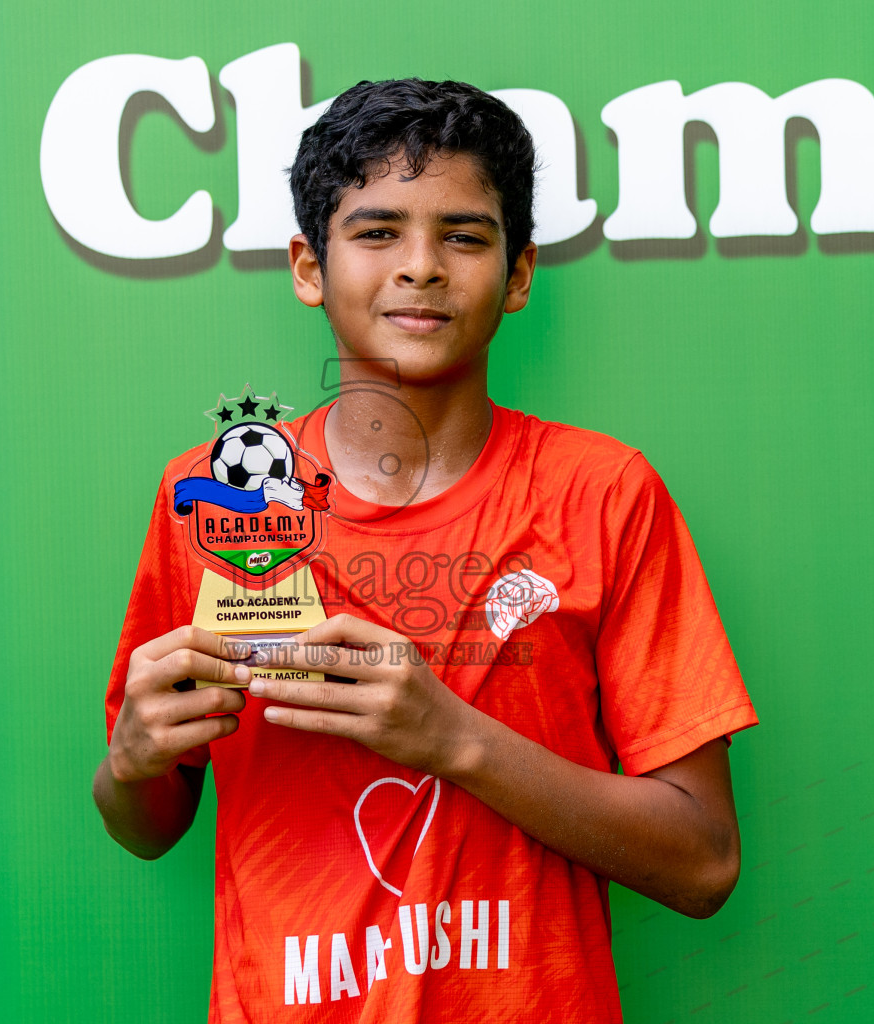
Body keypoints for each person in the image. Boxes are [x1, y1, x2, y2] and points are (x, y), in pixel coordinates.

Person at [93, 78, 758, 1022]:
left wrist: (452, 739)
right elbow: (146, 828)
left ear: (519, 273)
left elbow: (703, 863)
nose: (420, 267)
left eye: (464, 235)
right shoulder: (212, 497)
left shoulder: (604, 494)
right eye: (375, 231)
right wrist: (131, 762)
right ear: (307, 267)